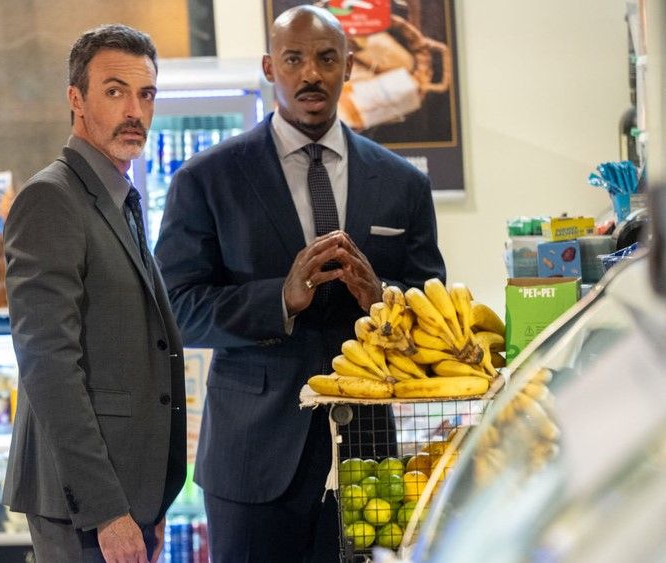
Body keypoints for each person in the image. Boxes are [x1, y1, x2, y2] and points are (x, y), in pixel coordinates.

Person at [154, 5, 445, 562]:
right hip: (251, 460)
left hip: (369, 461)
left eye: (326, 59)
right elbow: (176, 310)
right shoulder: (208, 180)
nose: (311, 73)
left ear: (349, 68)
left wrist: (380, 298)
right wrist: (279, 300)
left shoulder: (403, 184)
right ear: (269, 67)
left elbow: (429, 298)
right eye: (294, 59)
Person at [2, 24, 186, 563]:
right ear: (76, 100)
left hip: (128, 494)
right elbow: (48, 365)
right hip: (82, 505)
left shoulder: (116, 195)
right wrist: (108, 510)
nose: (135, 110)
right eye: (114, 91)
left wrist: (146, 503)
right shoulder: (50, 199)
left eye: (145, 94)